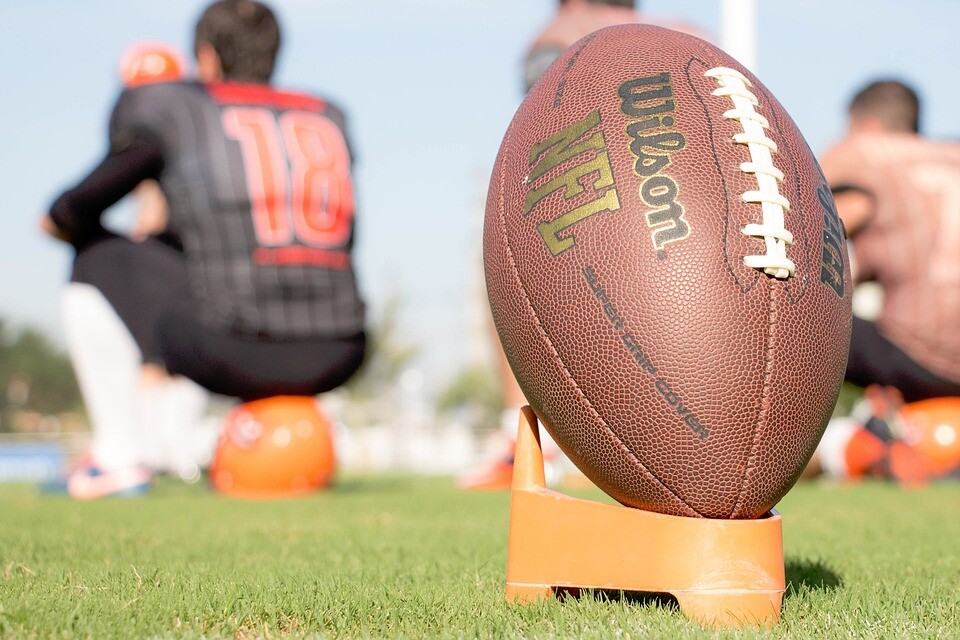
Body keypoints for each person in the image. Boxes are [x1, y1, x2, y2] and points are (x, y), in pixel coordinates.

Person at [42, 0, 366, 498]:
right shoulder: (326, 116)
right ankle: (167, 442)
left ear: (207, 58)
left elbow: (72, 211)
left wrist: (54, 221)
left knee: (93, 252)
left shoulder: (183, 109)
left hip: (234, 344)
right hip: (340, 348)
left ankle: (117, 456)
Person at [460, 0, 705, 490]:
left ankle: (529, 440)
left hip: (612, 206)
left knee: (509, 257)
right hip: (694, 214)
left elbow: (547, 129)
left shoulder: (562, 30)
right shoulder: (687, 33)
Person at [808, 79, 960, 483]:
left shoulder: (864, 153)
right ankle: (889, 432)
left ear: (868, 127)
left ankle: (753, 454)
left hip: (918, 351)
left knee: (786, 313)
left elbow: (819, 242)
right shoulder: (950, 152)